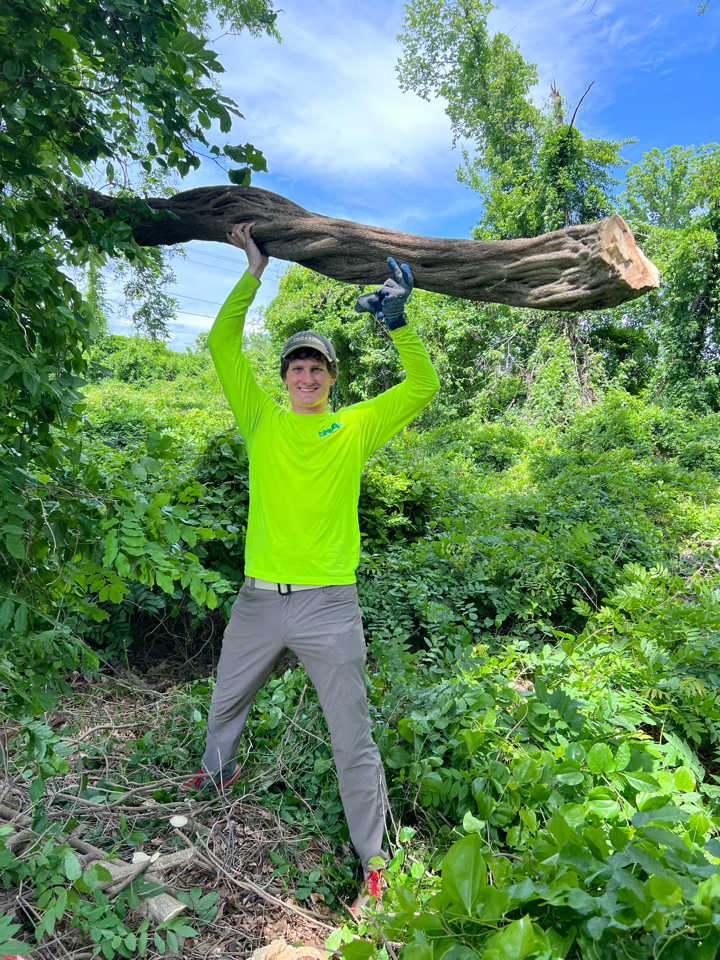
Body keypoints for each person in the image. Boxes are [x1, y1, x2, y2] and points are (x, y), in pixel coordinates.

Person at [189, 221, 439, 914]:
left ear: (332, 379)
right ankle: (213, 782)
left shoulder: (352, 426)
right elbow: (219, 345)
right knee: (224, 705)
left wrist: (399, 324)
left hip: (329, 604)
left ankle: (376, 866)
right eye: (296, 366)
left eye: (317, 367)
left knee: (350, 737)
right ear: (285, 377)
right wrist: (252, 271)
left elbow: (422, 386)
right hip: (259, 600)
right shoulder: (263, 421)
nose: (305, 375)